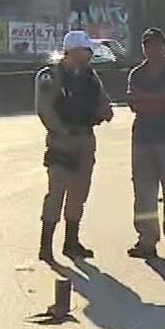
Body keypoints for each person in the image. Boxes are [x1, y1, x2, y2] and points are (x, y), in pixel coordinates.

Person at [35, 30, 114, 262]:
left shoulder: (90, 76)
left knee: (79, 192)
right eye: (86, 49)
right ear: (73, 51)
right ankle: (46, 246)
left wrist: (105, 111)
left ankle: (71, 242)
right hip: (62, 140)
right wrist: (62, 132)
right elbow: (45, 109)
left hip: (85, 138)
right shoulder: (50, 75)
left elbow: (103, 100)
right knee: (56, 191)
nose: (90, 54)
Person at [126, 27, 165, 261]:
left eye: (155, 44)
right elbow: (134, 103)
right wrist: (159, 100)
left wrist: (149, 100)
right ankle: (147, 241)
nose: (151, 49)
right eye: (147, 45)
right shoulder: (137, 74)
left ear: (164, 47)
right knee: (144, 193)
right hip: (143, 139)